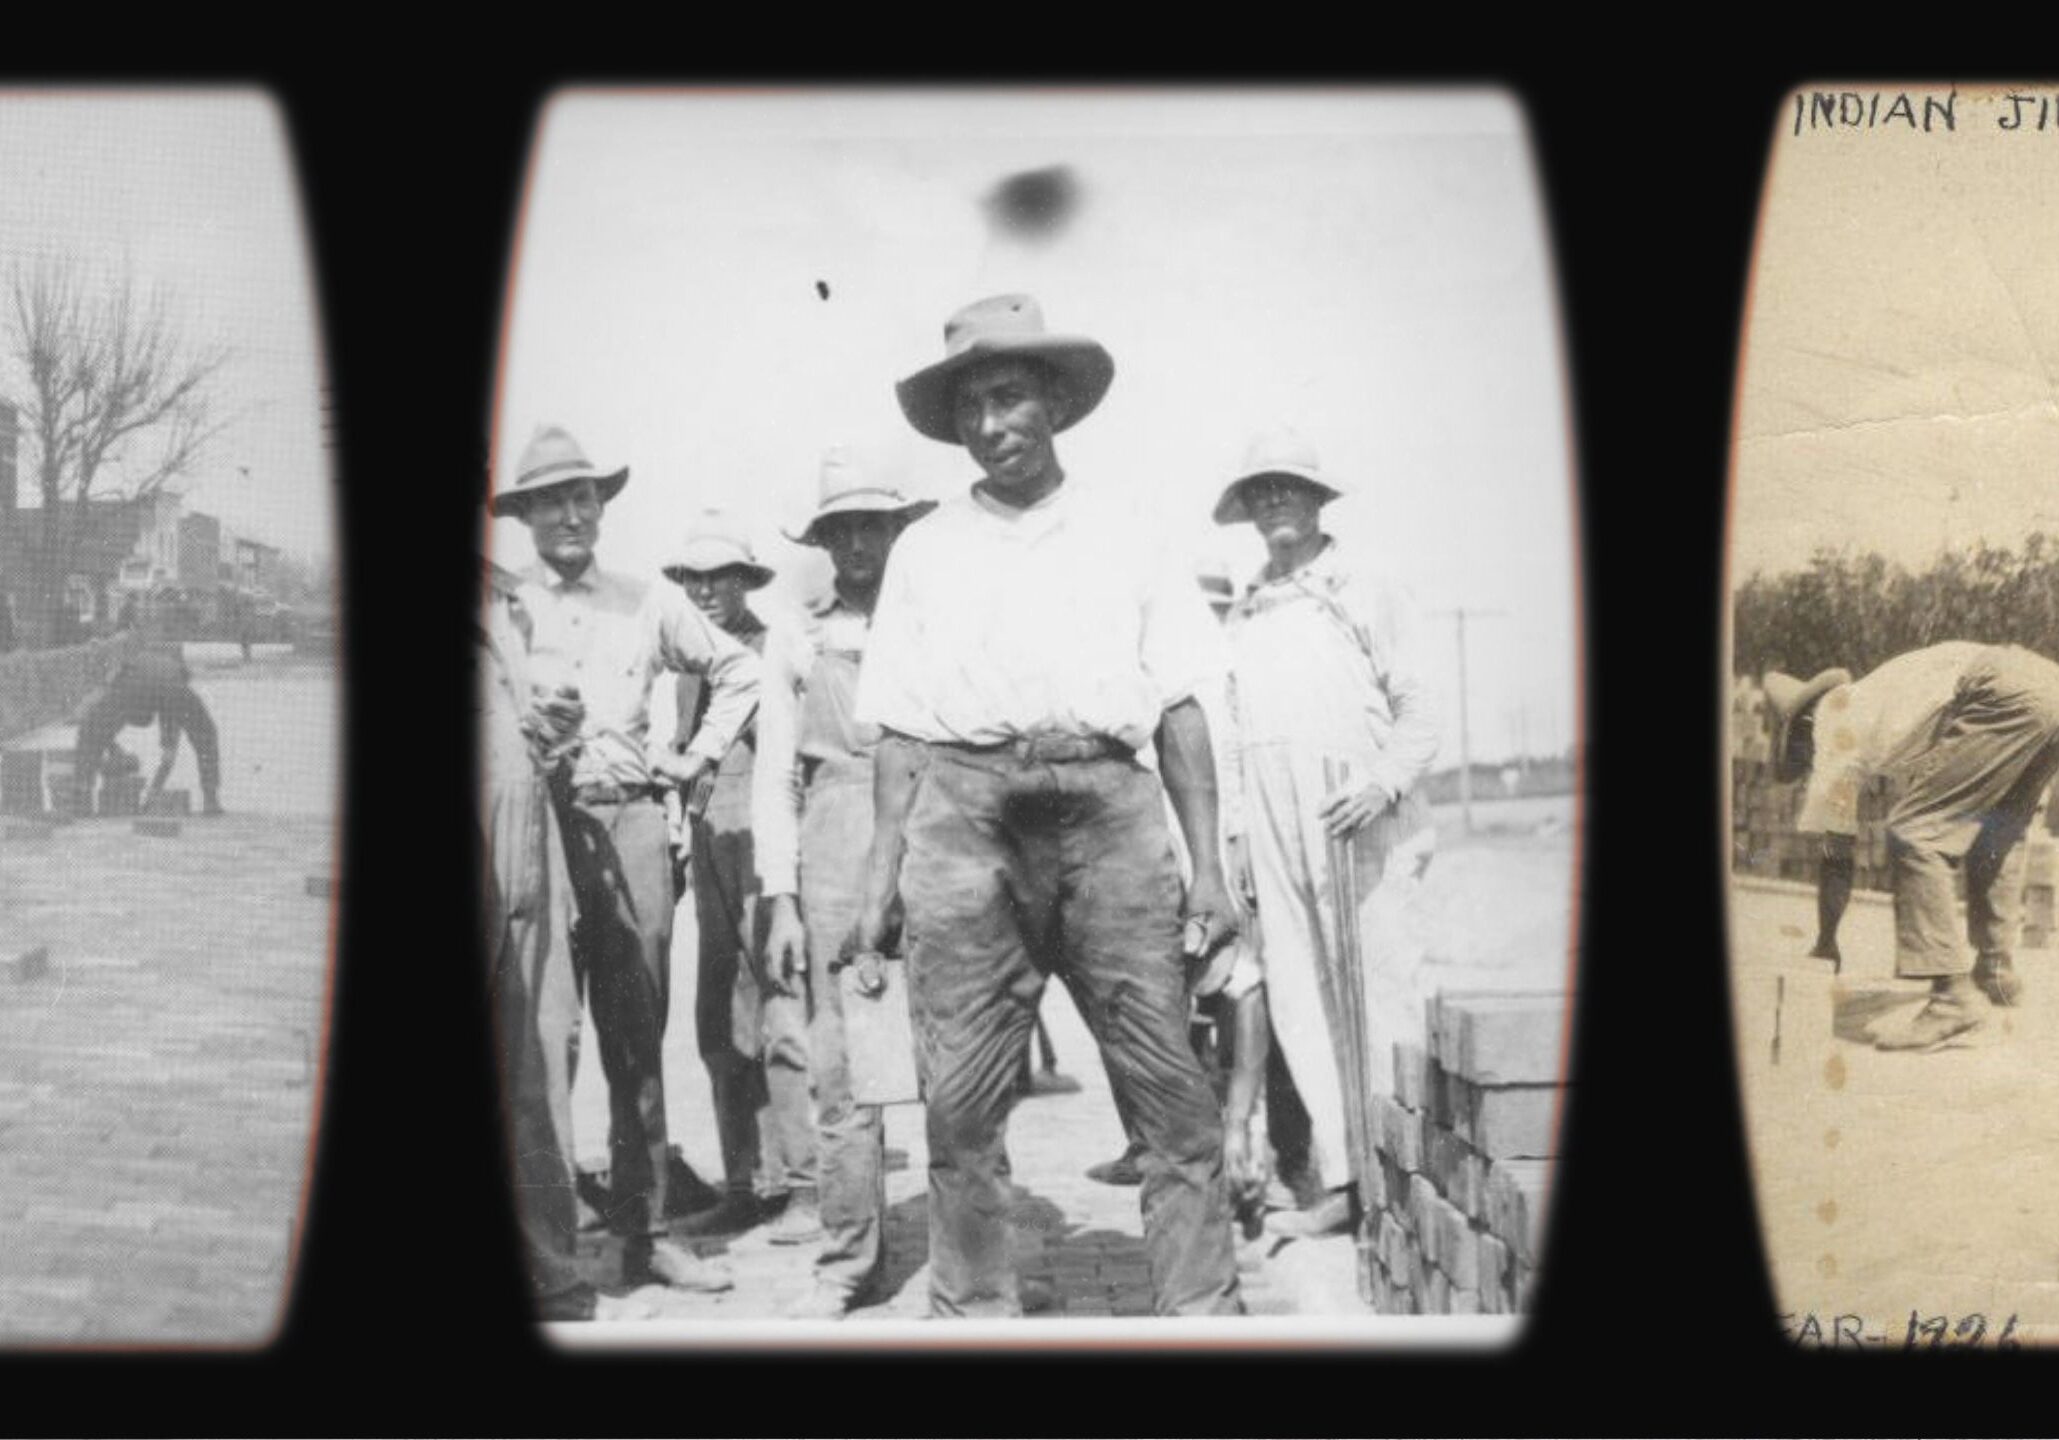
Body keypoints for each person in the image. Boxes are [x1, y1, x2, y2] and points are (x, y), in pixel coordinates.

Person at [849, 294, 1244, 1318]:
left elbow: (1181, 706)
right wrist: (878, 879)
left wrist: (1208, 870)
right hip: (967, 816)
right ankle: (974, 1313)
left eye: (1009, 397)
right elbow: (897, 729)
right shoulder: (926, 549)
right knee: (960, 1104)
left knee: (1169, 1090)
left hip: (1110, 812)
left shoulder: (1128, 531)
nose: (991, 425)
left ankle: (1202, 1312)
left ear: (1056, 404)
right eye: (970, 407)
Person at [492, 424, 758, 1292]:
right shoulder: (506, 607)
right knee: (543, 1041)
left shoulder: (647, 600)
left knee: (635, 1035)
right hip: (541, 828)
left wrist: (695, 757)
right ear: (525, 516)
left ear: (601, 507)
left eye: (582, 497)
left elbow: (740, 672)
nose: (569, 515)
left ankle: (649, 1234)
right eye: (550, 502)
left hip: (633, 820)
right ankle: (547, 1252)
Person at [1213, 426, 1440, 1239]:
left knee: (1379, 988)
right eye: (1261, 491)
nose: (1276, 501)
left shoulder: (1365, 584)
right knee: (1300, 995)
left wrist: (1380, 782)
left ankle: (1404, 1176)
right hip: (1273, 820)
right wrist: (1236, 836)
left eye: (1289, 487)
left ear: (1317, 499)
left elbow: (1420, 708)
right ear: (1246, 509)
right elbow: (1230, 734)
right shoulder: (1246, 608)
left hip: (1359, 813)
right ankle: (1345, 1182)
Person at [754, 448, 935, 1318]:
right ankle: (847, 1261)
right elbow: (775, 774)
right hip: (832, 832)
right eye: (841, 530)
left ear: (898, 529)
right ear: (822, 542)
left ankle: (980, 1256)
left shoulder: (934, 619)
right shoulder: (799, 632)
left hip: (934, 828)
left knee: (962, 1052)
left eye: (872, 525)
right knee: (841, 1062)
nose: (857, 543)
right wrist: (781, 899)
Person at [1768, 641, 2059, 1051]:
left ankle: (1951, 1000)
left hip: (1997, 689)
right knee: (1999, 829)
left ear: (1803, 724)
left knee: (1914, 829)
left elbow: (1837, 855)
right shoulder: (1874, 693)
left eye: (1794, 746)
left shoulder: (1831, 728)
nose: (1804, 760)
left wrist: (1826, 941)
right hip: (2044, 681)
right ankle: (1995, 970)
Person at [662, 511, 819, 1245]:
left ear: (745, 582)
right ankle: (746, 1184)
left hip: (767, 853)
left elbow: (798, 764)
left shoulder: (776, 651)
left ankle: (807, 1185)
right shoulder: (689, 668)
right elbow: (689, 765)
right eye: (692, 579)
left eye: (719, 577)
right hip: (711, 850)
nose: (704, 591)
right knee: (721, 1021)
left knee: (784, 1015)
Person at [478, 555, 595, 1321]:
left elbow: (533, 746)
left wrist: (555, 734)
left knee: (542, 1059)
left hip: (531, 849)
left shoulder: (507, 605)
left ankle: (548, 1273)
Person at [73, 644, 224, 817]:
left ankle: (81, 801)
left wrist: (111, 745)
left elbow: (97, 727)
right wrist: (168, 747)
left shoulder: (126, 673)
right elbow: (169, 717)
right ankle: (211, 800)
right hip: (168, 688)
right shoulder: (171, 673)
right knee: (206, 734)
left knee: (91, 732)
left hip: (133, 688)